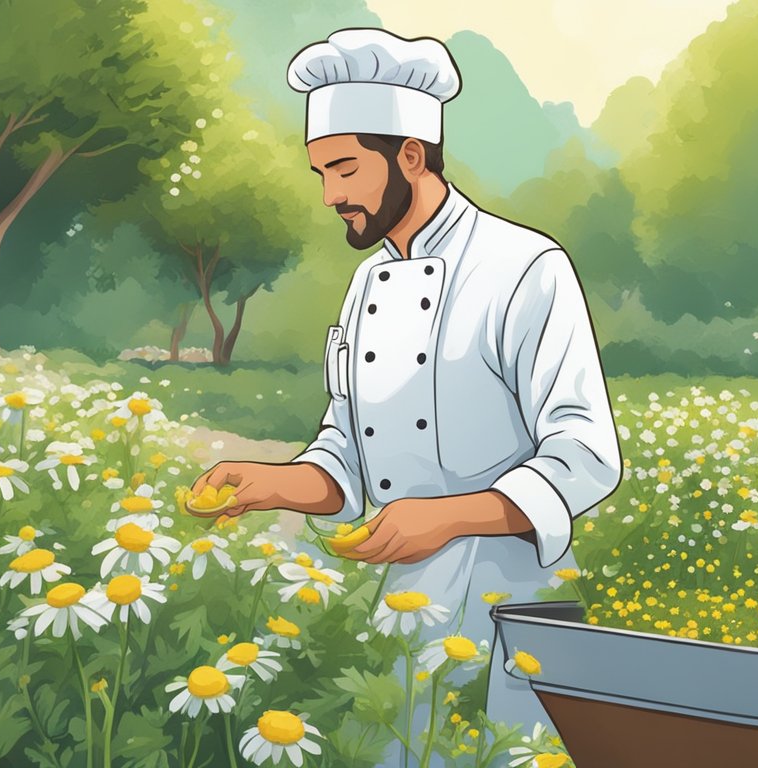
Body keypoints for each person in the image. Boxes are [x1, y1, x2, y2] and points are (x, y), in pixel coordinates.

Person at [187, 27, 622, 767]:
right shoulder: (365, 285)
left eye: (346, 168)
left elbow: (586, 455)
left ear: (411, 156)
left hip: (510, 609)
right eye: (320, 171)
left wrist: (444, 519)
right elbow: (347, 455)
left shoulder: (526, 267)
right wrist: (272, 484)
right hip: (400, 611)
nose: (331, 195)